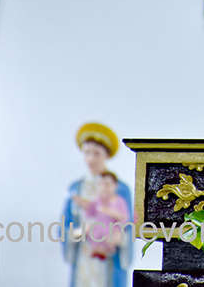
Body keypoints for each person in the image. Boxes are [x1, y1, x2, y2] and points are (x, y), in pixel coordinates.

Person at [62, 123, 133, 287]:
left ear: (106, 155)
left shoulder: (121, 189)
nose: (91, 159)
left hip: (109, 252)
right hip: (84, 253)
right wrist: (79, 232)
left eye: (96, 153)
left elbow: (129, 223)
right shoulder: (76, 188)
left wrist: (115, 237)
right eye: (87, 152)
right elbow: (66, 223)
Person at [72, 171, 130, 260]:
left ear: (115, 185)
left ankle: (104, 250)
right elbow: (90, 210)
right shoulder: (98, 201)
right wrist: (81, 202)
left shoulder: (119, 201)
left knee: (108, 237)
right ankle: (97, 250)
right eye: (101, 184)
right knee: (92, 229)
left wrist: (111, 212)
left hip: (112, 229)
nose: (103, 188)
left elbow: (124, 218)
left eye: (106, 185)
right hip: (97, 227)